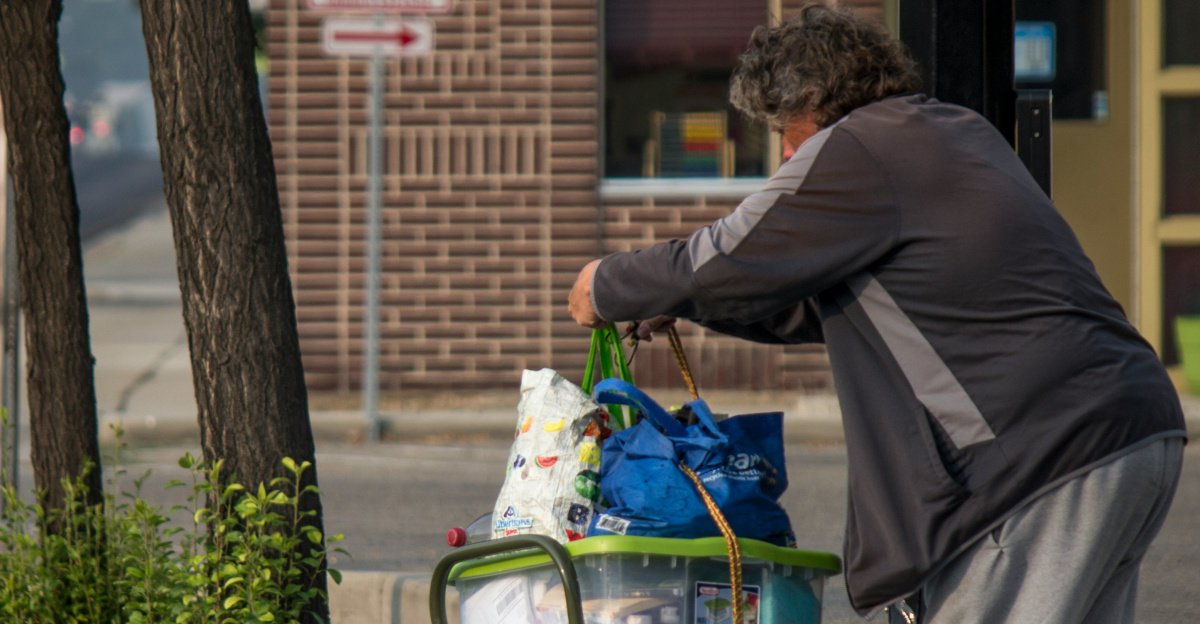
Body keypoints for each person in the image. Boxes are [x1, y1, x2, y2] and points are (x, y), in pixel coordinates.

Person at [568, 5, 1187, 623]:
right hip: (1131, 431)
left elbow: (730, 253)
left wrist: (607, 284)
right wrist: (684, 305)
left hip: (1037, 461)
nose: (783, 156)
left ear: (812, 100)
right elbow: (813, 304)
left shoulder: (857, 148)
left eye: (784, 130)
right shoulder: (951, 131)